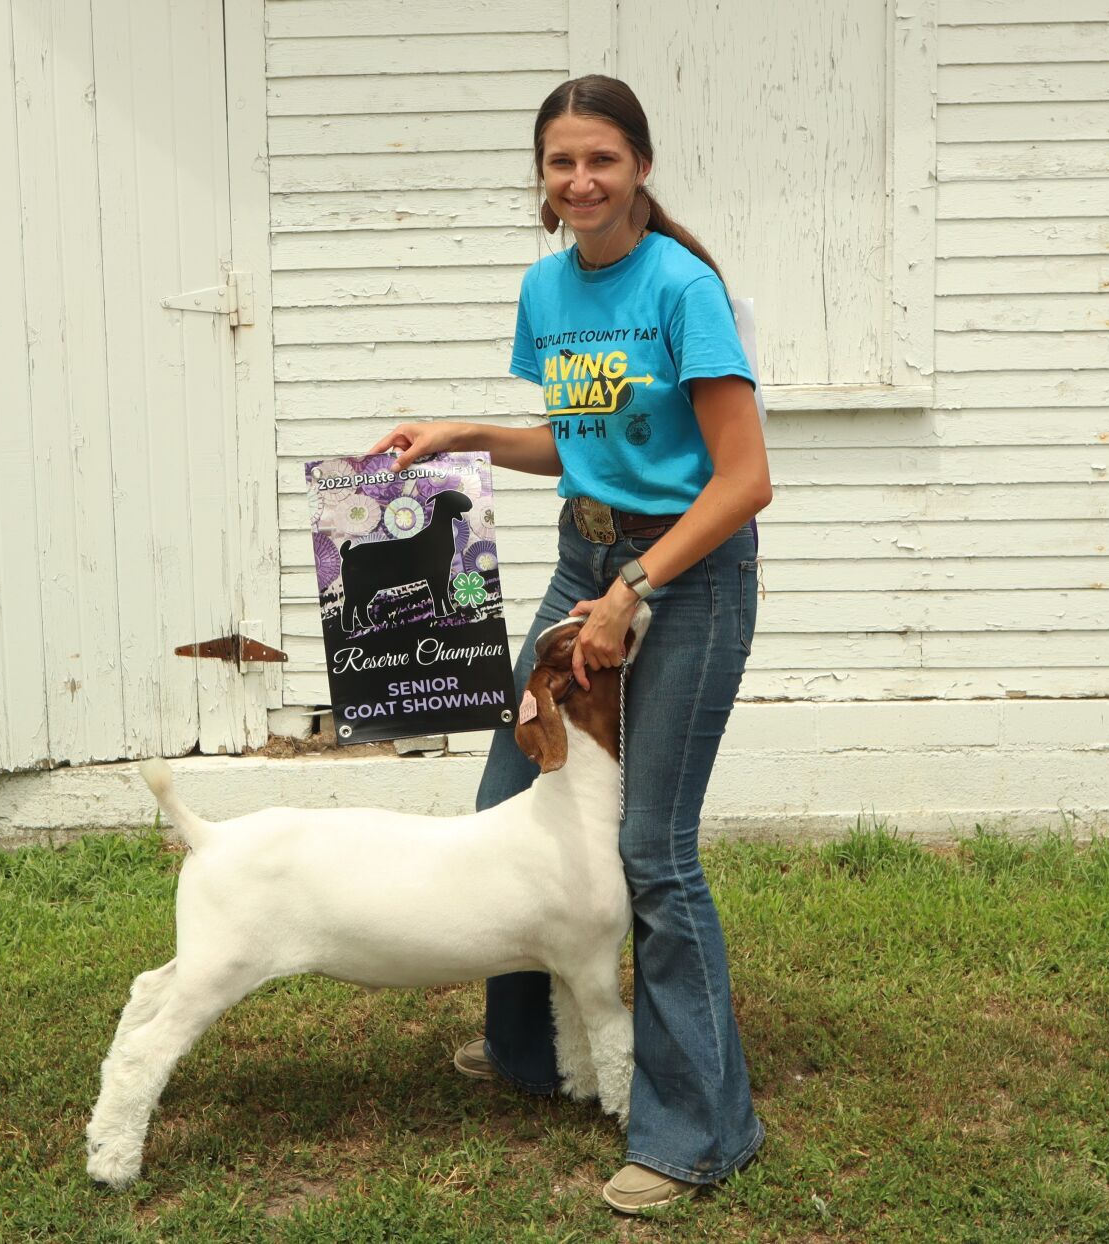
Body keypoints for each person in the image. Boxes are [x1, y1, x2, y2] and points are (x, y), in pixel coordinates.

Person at [368, 74, 772, 1214]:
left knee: (652, 849)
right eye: (561, 163)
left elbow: (745, 480)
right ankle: (533, 1056)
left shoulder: (684, 289)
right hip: (586, 558)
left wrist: (636, 585)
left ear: (639, 163)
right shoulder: (549, 287)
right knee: (510, 801)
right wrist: (466, 432)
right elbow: (583, 442)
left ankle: (701, 1130)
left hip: (683, 574)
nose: (582, 180)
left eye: (602, 158)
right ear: (542, 180)